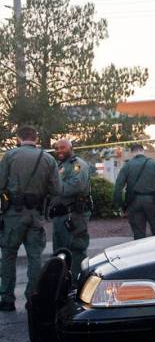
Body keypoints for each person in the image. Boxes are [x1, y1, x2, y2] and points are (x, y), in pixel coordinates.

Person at [0, 125, 61, 311]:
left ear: (19, 138)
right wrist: (46, 206)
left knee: (8, 256)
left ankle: (7, 299)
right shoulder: (48, 159)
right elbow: (57, 190)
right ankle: (33, 298)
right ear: (36, 138)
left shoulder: (10, 156)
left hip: (13, 215)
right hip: (36, 216)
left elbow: (0, 184)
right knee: (35, 257)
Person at [50, 139, 91, 283]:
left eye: (63, 147)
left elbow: (76, 185)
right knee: (60, 251)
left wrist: (54, 187)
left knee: (76, 249)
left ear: (70, 148)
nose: (59, 150)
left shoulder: (77, 164)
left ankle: (78, 282)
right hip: (61, 216)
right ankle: (63, 283)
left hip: (74, 215)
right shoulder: (60, 165)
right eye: (57, 148)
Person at [113, 143, 155, 239]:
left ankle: (141, 253)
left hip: (134, 203)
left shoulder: (127, 166)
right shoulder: (154, 164)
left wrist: (120, 205)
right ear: (143, 151)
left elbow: (117, 188)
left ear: (132, 153)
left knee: (139, 235)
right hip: (153, 201)